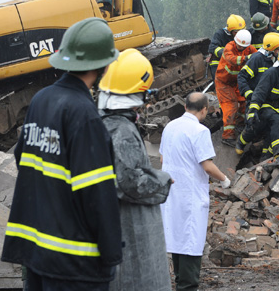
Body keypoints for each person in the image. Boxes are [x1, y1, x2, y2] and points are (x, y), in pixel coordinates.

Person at [1, 18, 122, 290]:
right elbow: (97, 193)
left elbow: (24, 161)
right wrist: (112, 253)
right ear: (103, 64)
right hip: (73, 263)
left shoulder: (41, 100)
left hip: (36, 252)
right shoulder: (84, 114)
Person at [97, 49, 172, 291]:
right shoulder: (123, 130)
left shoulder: (101, 123)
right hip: (131, 228)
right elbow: (130, 182)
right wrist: (162, 182)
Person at [160, 92, 231, 291]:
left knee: (176, 236)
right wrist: (225, 180)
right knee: (191, 239)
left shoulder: (170, 127)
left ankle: (180, 280)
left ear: (185, 107)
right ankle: (188, 285)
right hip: (190, 193)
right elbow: (207, 165)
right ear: (204, 109)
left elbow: (164, 160)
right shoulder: (200, 131)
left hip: (171, 191)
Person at [215, 29, 257, 147]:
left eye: (243, 46)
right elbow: (231, 59)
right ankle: (228, 135)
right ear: (235, 42)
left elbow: (257, 55)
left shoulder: (249, 49)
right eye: (239, 46)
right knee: (230, 106)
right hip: (224, 82)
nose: (241, 48)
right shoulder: (229, 47)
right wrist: (246, 58)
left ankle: (240, 126)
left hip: (238, 81)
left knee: (244, 104)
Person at [207, 14, 246, 80]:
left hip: (236, 62)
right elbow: (212, 47)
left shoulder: (245, 35)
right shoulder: (220, 34)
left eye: (241, 31)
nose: (239, 35)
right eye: (236, 32)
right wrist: (225, 53)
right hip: (219, 62)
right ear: (230, 31)